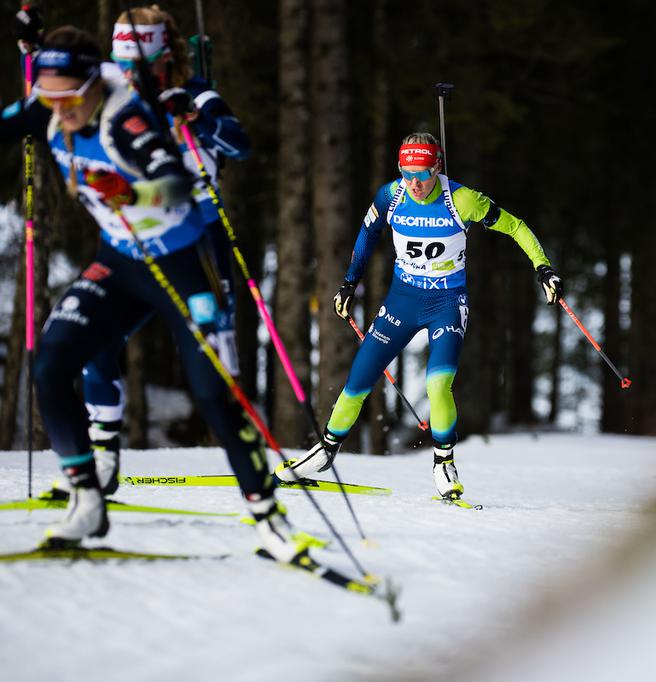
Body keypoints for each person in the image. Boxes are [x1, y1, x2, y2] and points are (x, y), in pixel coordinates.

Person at [3, 25, 299, 560]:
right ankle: (88, 499)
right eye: (50, 99)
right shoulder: (52, 104)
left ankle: (268, 515)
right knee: (50, 363)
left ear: (95, 84)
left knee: (213, 392)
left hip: (183, 262)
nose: (60, 110)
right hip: (119, 263)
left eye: (70, 98)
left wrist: (129, 189)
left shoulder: (127, 117)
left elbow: (175, 183)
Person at [276, 133, 562, 499]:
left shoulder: (462, 200)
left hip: (446, 302)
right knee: (358, 381)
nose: (414, 183)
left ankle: (443, 463)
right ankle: (325, 453)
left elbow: (516, 226)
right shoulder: (391, 195)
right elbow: (367, 235)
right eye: (407, 173)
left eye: (423, 174)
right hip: (402, 301)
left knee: (437, 384)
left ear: (437, 167)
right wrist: (349, 284)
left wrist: (543, 268)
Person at [69, 6, 251, 496]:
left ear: (165, 59)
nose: (129, 73)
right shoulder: (111, 101)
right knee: (97, 345)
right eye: (121, 61)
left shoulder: (196, 93)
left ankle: (251, 471)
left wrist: (195, 117)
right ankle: (102, 458)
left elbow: (239, 144)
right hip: (139, 245)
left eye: (139, 63)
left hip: (201, 242)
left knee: (216, 361)